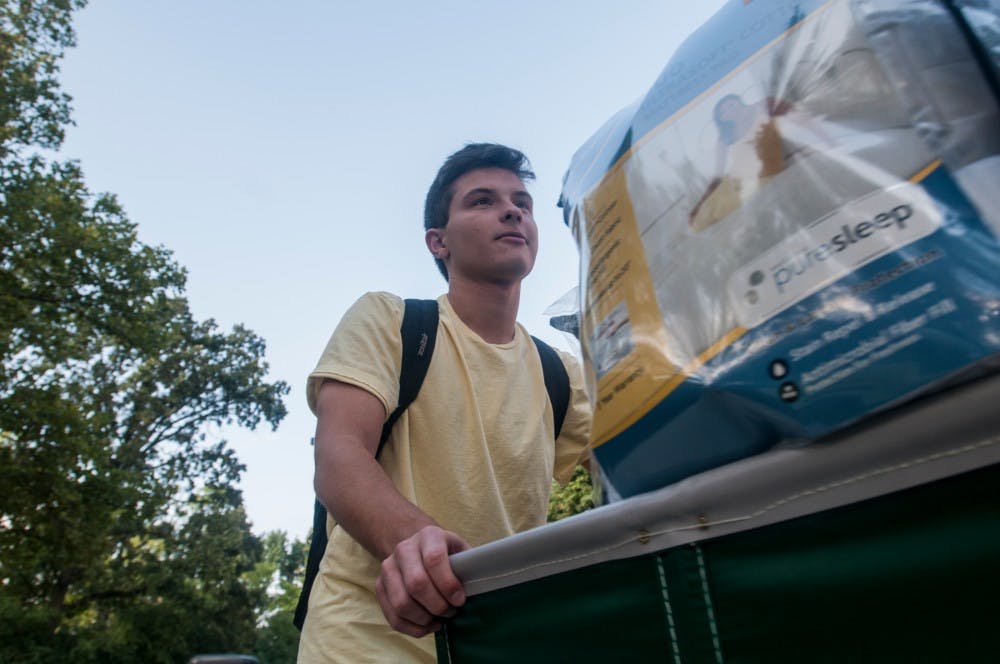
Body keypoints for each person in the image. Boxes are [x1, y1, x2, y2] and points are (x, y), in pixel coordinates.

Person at [297, 143, 592, 663]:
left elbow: (645, 460)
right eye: (481, 201)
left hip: (497, 643)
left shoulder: (560, 374)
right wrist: (420, 547)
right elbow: (339, 455)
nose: (512, 210)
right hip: (363, 646)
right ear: (439, 241)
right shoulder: (390, 321)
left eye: (521, 201)